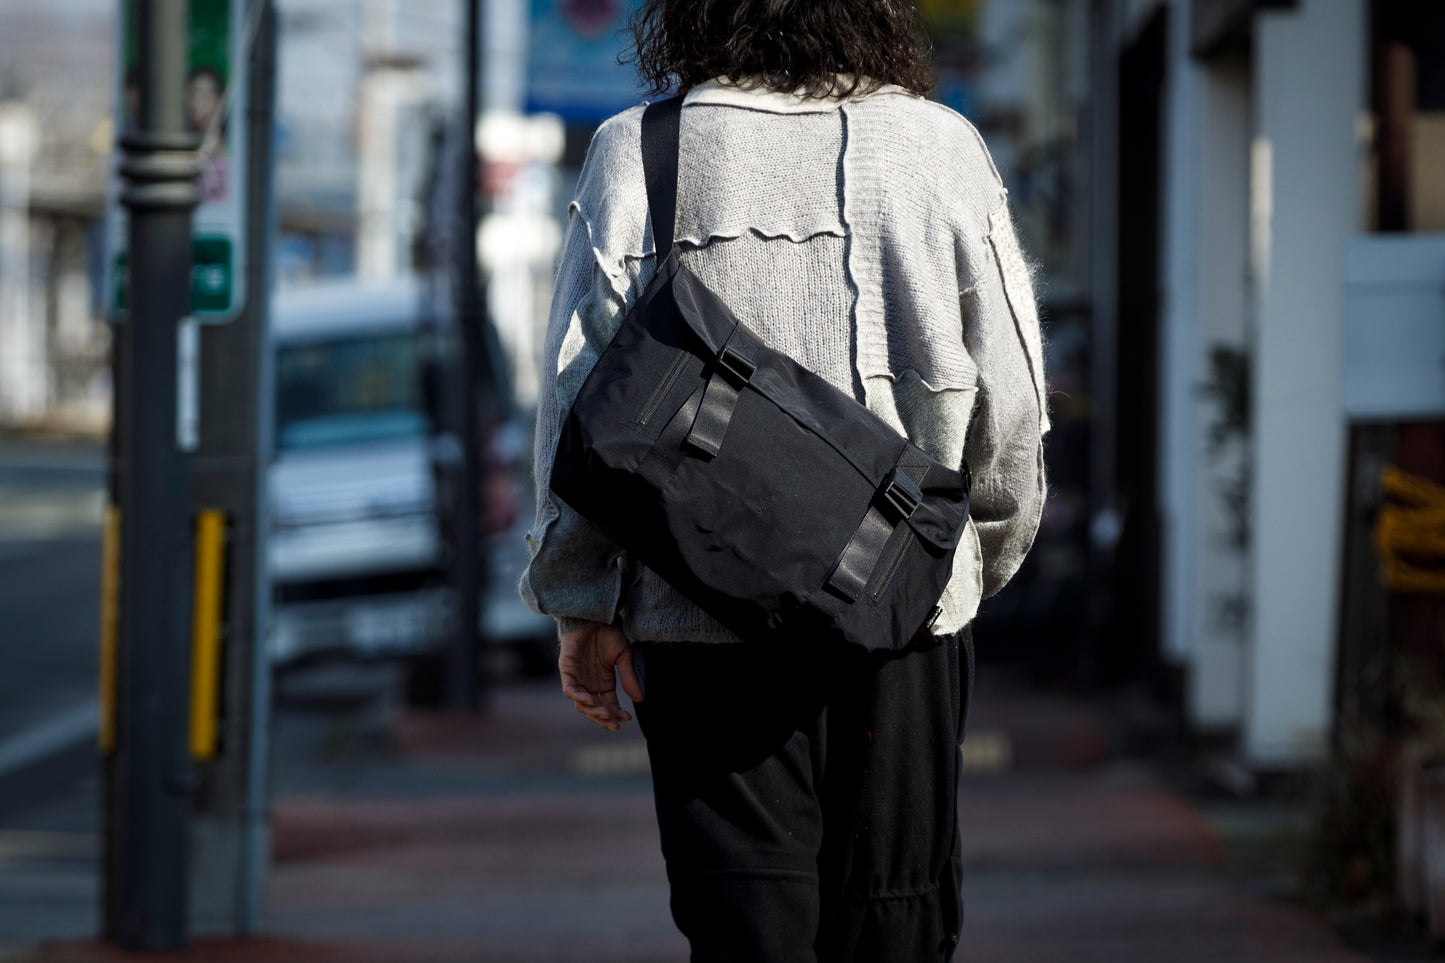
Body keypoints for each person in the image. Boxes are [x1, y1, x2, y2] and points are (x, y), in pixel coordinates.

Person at [520, 1, 1048, 958]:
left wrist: (582, 601)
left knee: (742, 930)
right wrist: (966, 565)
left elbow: (578, 401)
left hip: (697, 620)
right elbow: (1009, 407)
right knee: (897, 921)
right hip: (904, 618)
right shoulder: (941, 149)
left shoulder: (641, 150)